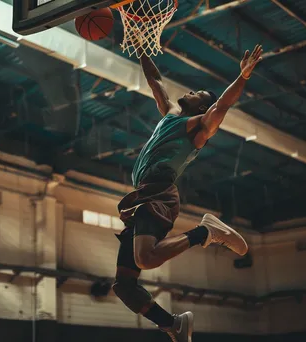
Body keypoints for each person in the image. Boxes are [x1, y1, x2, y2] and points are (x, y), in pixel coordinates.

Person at [112, 45, 263, 342]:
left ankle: (203, 232)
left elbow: (221, 106)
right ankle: (172, 324)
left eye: (197, 93)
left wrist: (243, 76)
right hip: (143, 196)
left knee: (145, 259)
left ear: (200, 107)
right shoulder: (169, 115)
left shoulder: (198, 128)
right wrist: (141, 47)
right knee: (124, 285)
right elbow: (156, 82)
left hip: (160, 196)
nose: (191, 91)